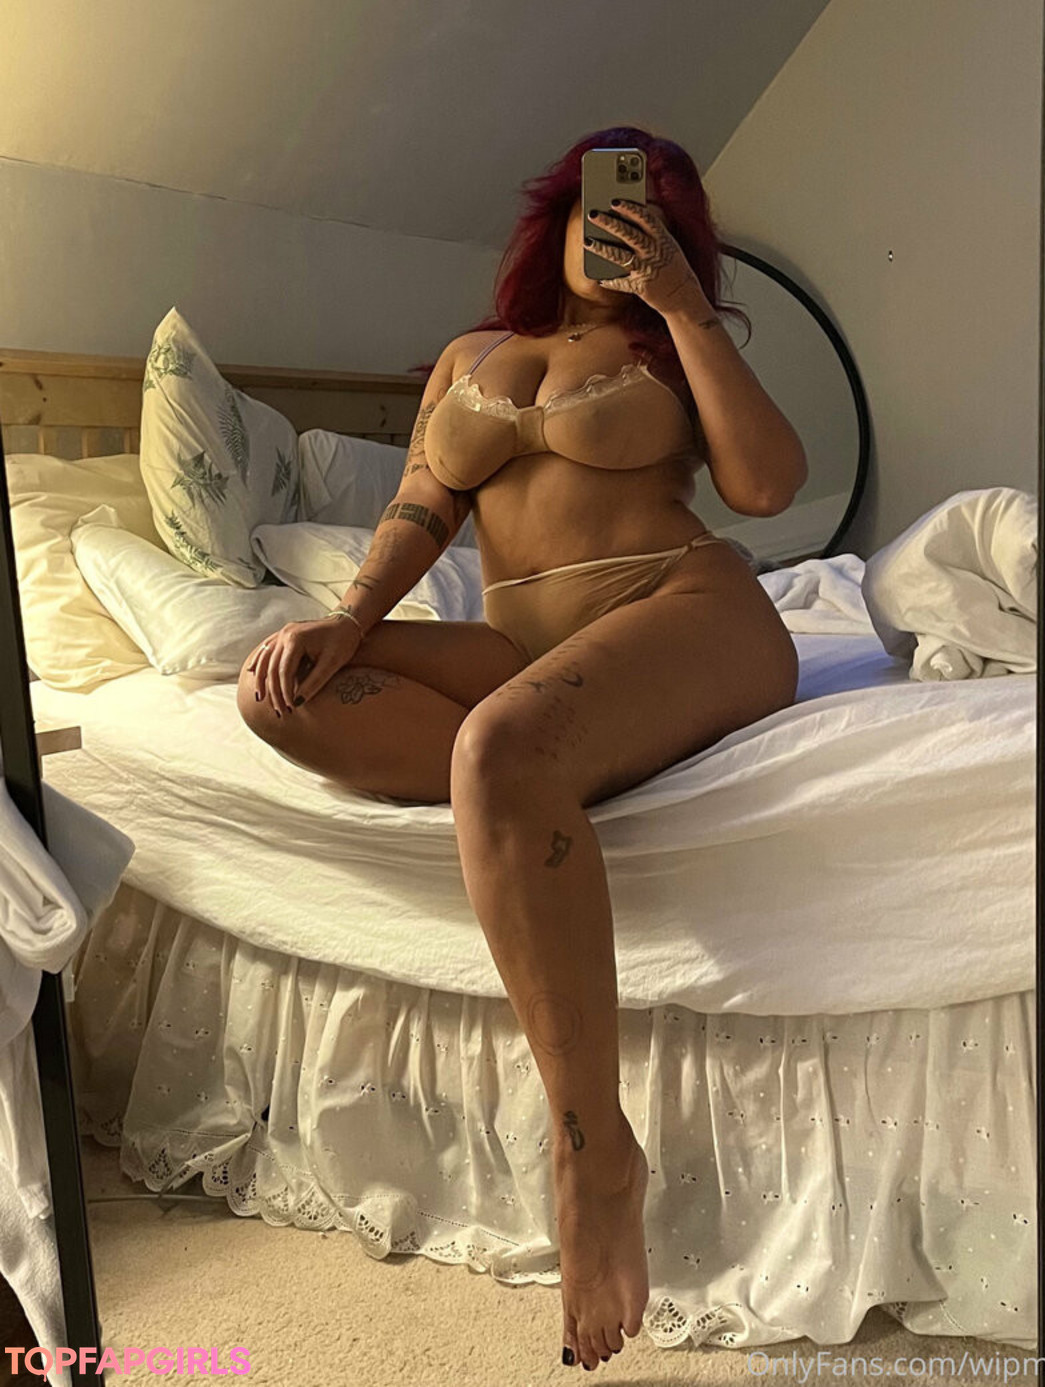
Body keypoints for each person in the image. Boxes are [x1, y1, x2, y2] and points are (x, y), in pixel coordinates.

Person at [237, 125, 806, 1373]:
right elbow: (419, 504)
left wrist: (681, 303)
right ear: (555, 217)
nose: (619, 222)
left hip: (681, 609)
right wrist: (349, 621)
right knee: (277, 692)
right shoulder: (471, 356)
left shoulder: (669, 342)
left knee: (497, 745)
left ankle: (592, 1154)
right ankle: (528, 773)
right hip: (522, 651)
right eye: (602, 202)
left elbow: (768, 486)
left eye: (648, 207)